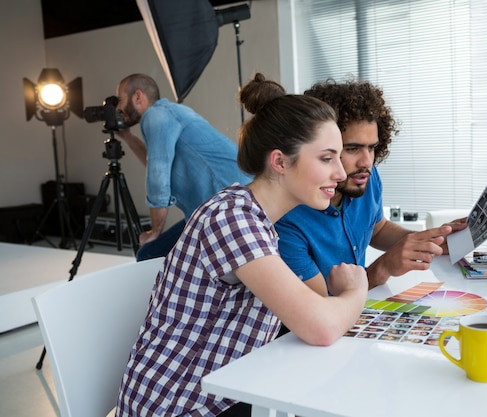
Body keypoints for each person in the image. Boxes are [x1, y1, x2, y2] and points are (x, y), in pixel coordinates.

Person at [115, 73, 369, 417]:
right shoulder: (233, 219)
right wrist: (356, 291)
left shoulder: (260, 219)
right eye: (327, 158)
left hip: (223, 396)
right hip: (178, 406)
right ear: (279, 162)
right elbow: (321, 327)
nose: (341, 173)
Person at [275, 79, 467, 296]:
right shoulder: (284, 220)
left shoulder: (364, 176)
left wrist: (431, 241)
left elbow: (378, 228)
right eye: (352, 148)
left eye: (372, 147)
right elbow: (321, 307)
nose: (366, 162)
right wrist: (382, 268)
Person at [115, 73, 252, 261]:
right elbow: (156, 162)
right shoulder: (168, 112)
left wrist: (155, 230)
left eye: (120, 99)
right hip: (226, 203)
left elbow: (158, 176)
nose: (117, 108)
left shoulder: (155, 115)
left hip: (226, 206)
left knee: (149, 254)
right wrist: (128, 137)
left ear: (138, 96)